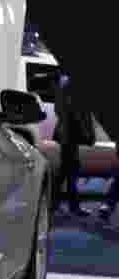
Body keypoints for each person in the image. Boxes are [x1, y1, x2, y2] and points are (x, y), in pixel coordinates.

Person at [52, 73, 94, 216]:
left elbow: (59, 110)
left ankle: (55, 204)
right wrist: (86, 133)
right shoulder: (72, 86)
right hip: (70, 134)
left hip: (66, 133)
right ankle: (72, 207)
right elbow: (77, 112)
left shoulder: (63, 84)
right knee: (71, 170)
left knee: (66, 170)